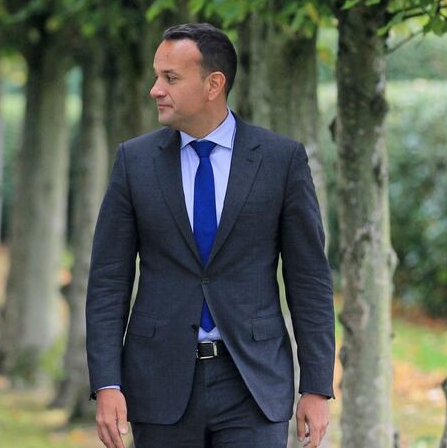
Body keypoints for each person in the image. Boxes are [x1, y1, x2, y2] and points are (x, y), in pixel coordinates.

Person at [86, 23, 334, 448]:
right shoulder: (135, 161)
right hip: (158, 383)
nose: (155, 90)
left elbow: (309, 281)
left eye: (170, 78)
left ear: (213, 84)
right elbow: (109, 281)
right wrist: (107, 383)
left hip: (254, 384)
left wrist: (317, 386)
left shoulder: (281, 160)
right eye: (156, 75)